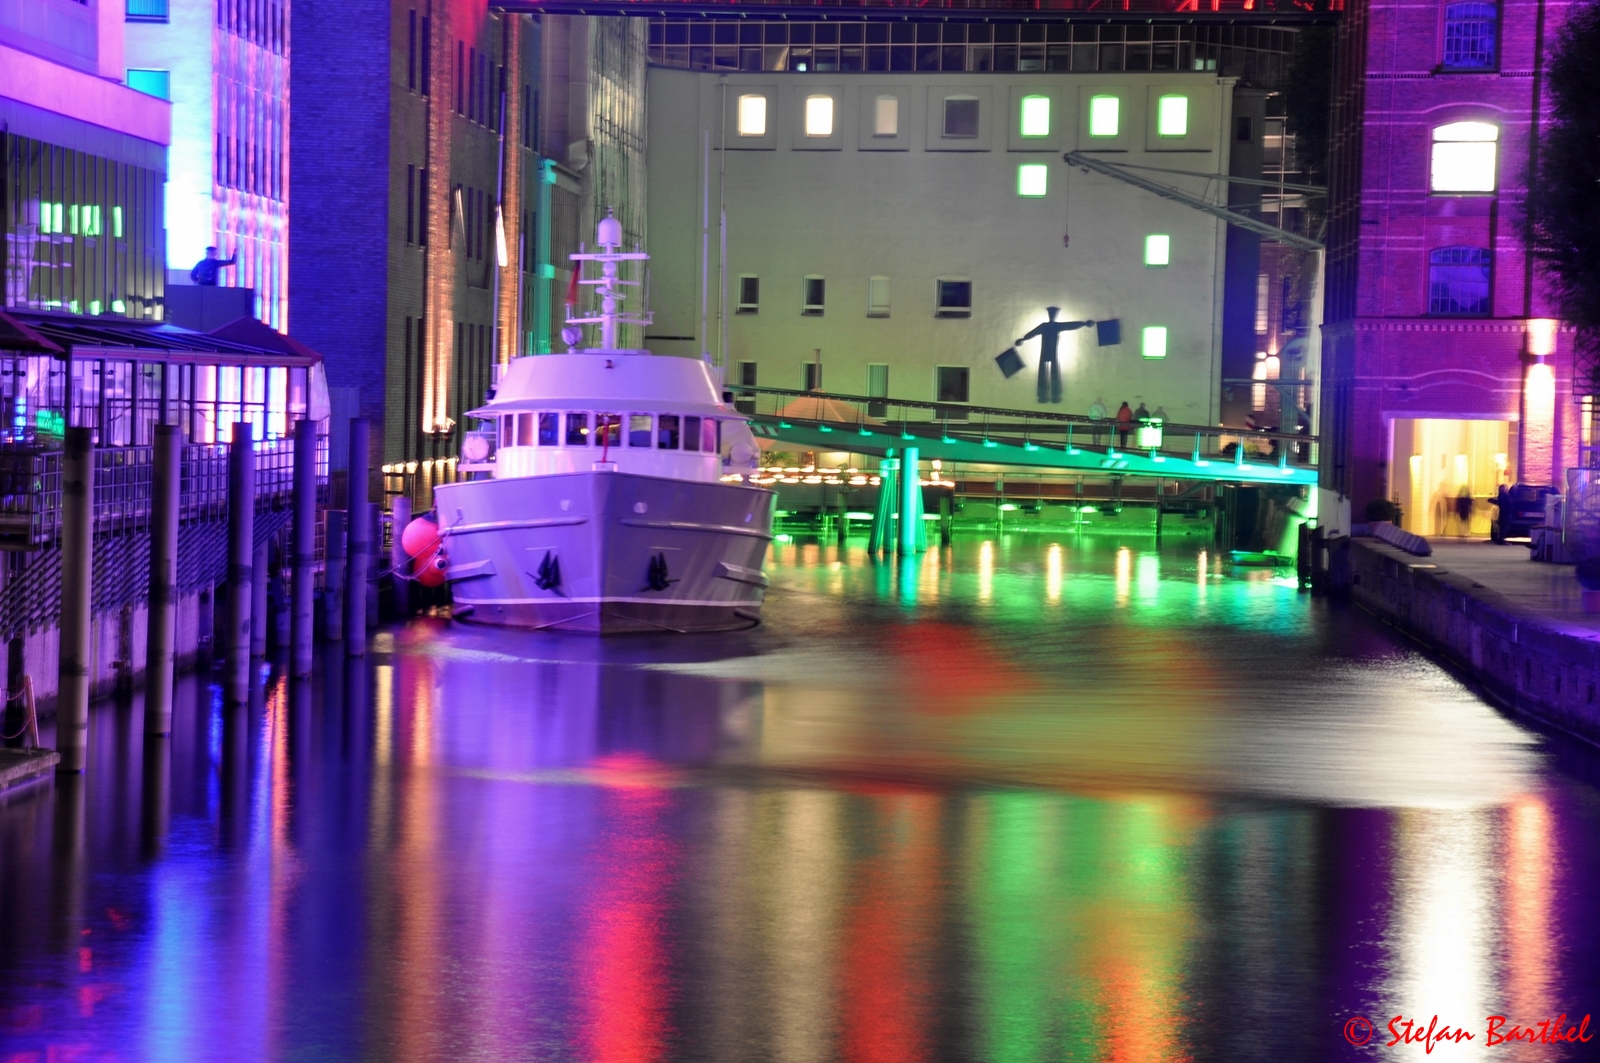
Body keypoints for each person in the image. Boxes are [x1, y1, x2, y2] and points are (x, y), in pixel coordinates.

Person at [1016, 307, 1094, 405]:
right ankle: (1043, 395)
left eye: (1053, 314)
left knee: (1054, 372)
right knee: (1044, 372)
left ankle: (1055, 395)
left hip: (1052, 352)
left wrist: (1084, 324)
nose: (1052, 316)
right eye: (1051, 314)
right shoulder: (1044, 326)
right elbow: (1033, 333)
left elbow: (1070, 325)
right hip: (1045, 351)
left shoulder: (1056, 326)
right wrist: (1023, 339)